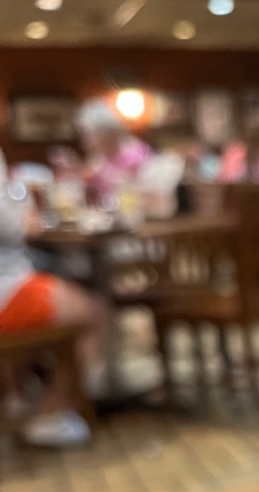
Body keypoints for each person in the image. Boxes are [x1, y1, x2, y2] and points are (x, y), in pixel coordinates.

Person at [0, 150, 108, 446]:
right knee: (96, 311)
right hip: (6, 289)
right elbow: (16, 226)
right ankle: (54, 411)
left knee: (59, 297)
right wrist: (27, 212)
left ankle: (20, 397)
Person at [77, 100, 153, 205]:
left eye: (89, 134)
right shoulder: (99, 158)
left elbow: (145, 190)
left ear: (106, 133)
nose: (87, 141)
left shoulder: (136, 153)